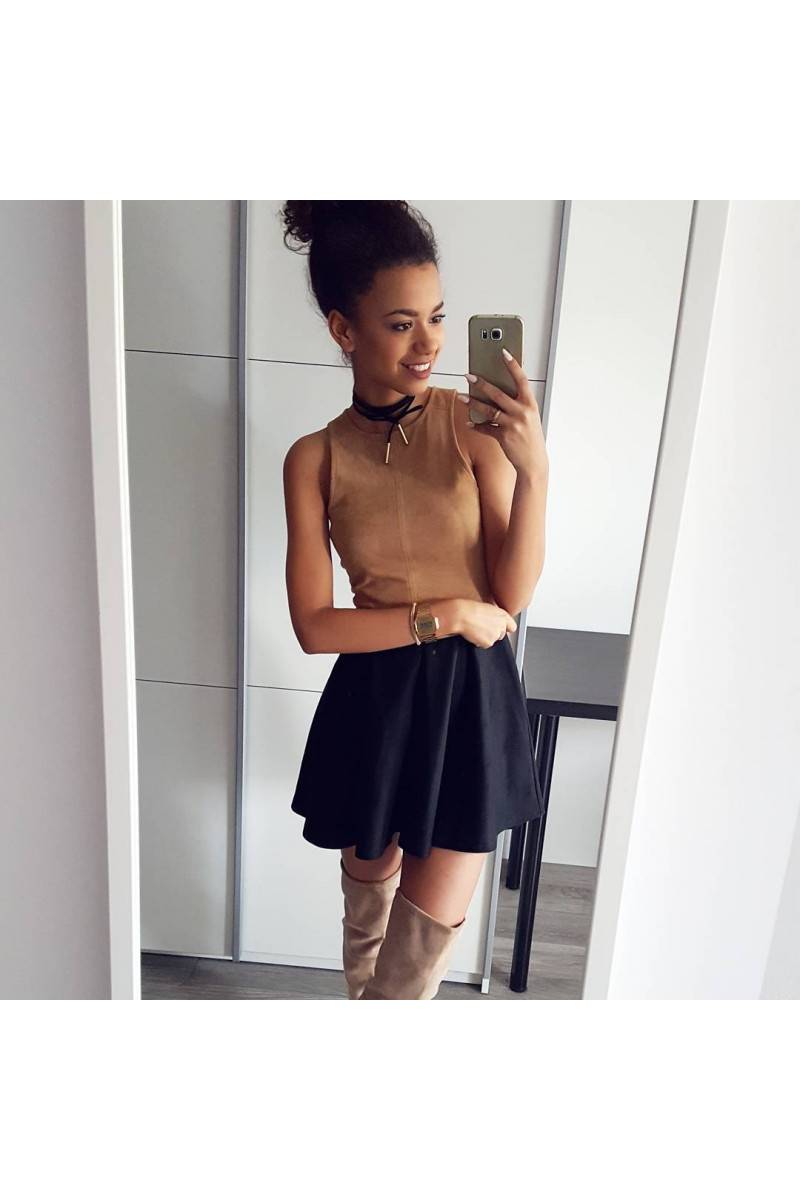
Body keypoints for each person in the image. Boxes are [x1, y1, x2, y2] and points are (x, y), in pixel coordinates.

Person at [281, 201, 549, 999]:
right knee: (366, 947)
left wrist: (534, 471)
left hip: (470, 705)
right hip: (374, 700)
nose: (430, 344)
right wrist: (447, 615)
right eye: (402, 324)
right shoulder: (314, 458)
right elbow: (314, 627)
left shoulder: (471, 430)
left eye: (436, 317)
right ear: (344, 330)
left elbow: (509, 594)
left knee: (407, 978)